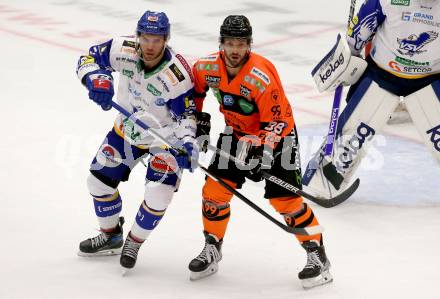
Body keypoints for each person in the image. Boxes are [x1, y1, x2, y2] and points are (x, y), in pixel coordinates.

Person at [188, 15, 333, 289]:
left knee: (286, 202)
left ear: (249, 45)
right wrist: (199, 123)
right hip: (236, 133)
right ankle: (212, 247)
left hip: (278, 138)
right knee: (214, 192)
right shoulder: (206, 66)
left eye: (241, 44)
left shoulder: (261, 75)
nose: (234, 50)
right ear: (221, 44)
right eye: (230, 43)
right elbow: (194, 92)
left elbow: (277, 121)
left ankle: (317, 255)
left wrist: (263, 154)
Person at [75, 10, 199, 271]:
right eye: (146, 38)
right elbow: (88, 59)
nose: (150, 45)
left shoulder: (176, 75)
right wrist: (97, 79)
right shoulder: (123, 48)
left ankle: (134, 241)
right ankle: (111, 236)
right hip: (126, 132)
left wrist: (188, 143)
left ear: (166, 39)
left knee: (159, 195)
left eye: (157, 39)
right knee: (97, 183)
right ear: (138, 36)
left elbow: (187, 116)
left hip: (163, 140)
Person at [302, 0, 440, 200]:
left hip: (431, 79)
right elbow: (358, 35)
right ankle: (323, 182)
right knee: (355, 133)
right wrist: (348, 57)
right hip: (382, 75)